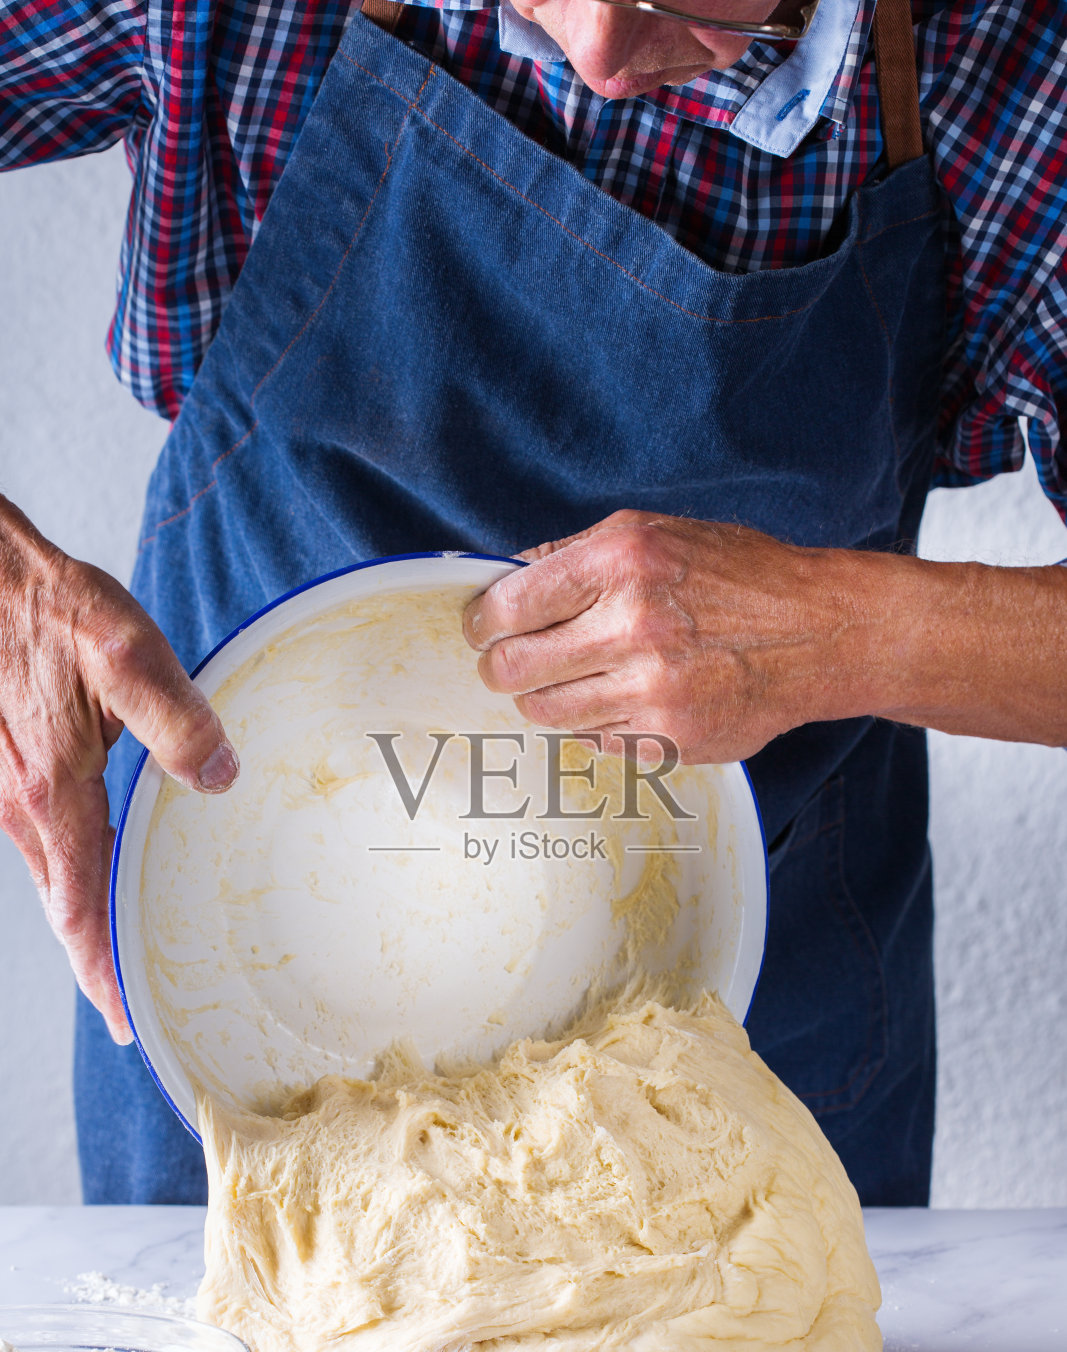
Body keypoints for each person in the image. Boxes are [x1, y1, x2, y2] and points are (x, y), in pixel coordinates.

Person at [0, 0, 1064, 1206]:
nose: (604, 54)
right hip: (236, 982)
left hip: (760, 1021)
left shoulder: (1019, 63)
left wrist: (845, 630)